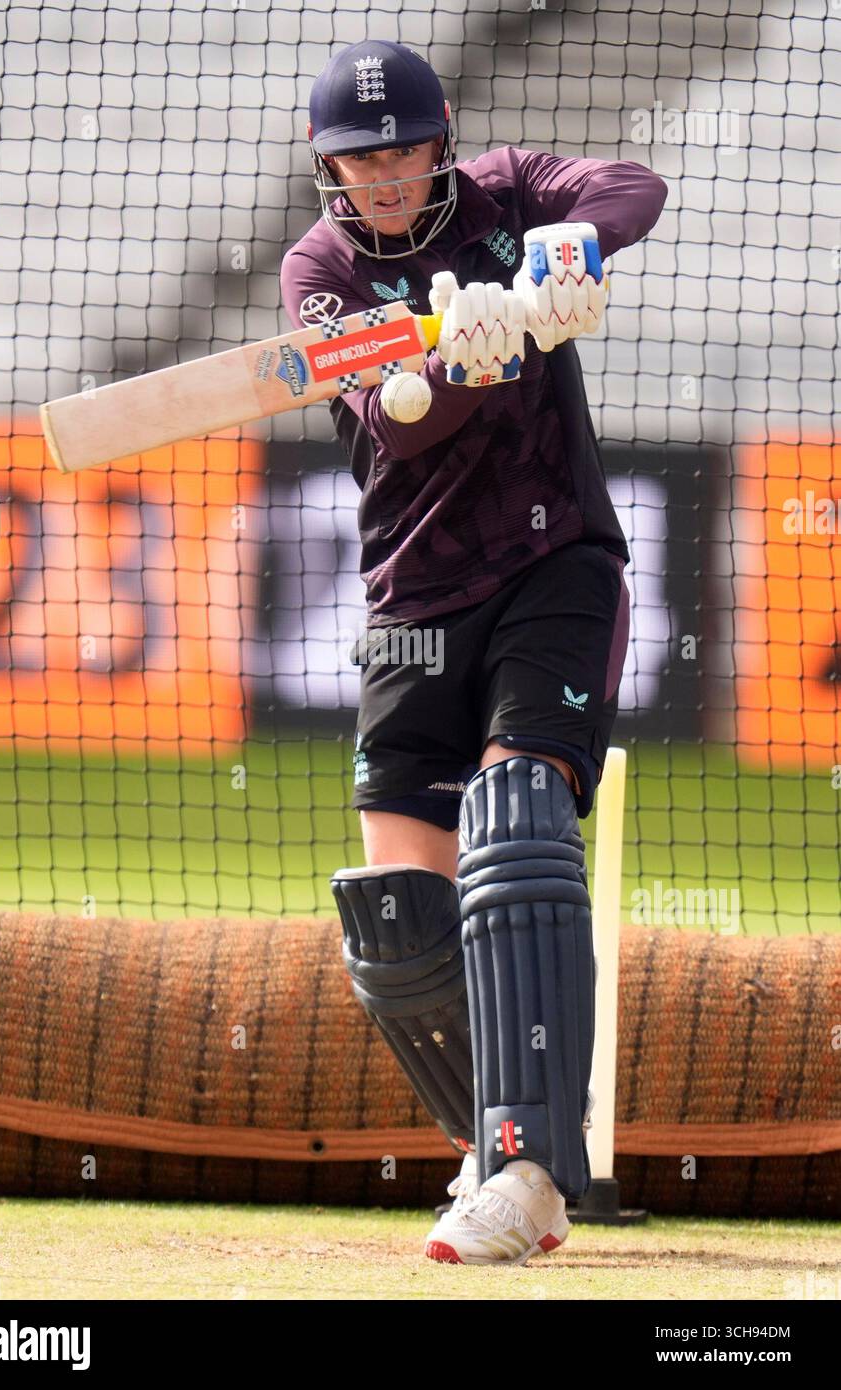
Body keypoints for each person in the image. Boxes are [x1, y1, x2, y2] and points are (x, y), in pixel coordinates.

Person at [280, 39, 667, 1265]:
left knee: (515, 818)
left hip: (552, 560)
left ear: (439, 141)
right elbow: (394, 431)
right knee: (400, 927)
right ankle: (499, 1145)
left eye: (404, 152)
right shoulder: (322, 267)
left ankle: (524, 1167)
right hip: (410, 591)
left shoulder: (503, 191)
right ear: (327, 167)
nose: (386, 179)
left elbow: (630, 184)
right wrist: (448, 359)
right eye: (360, 159)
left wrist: (561, 260)